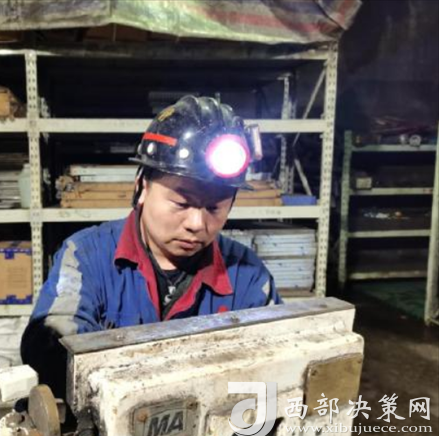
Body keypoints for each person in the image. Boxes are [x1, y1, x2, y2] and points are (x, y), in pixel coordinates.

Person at [21, 96, 282, 398]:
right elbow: (51, 344)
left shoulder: (248, 276)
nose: (197, 223)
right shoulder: (85, 256)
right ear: (141, 187)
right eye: (182, 203)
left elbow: (275, 369)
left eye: (214, 208)